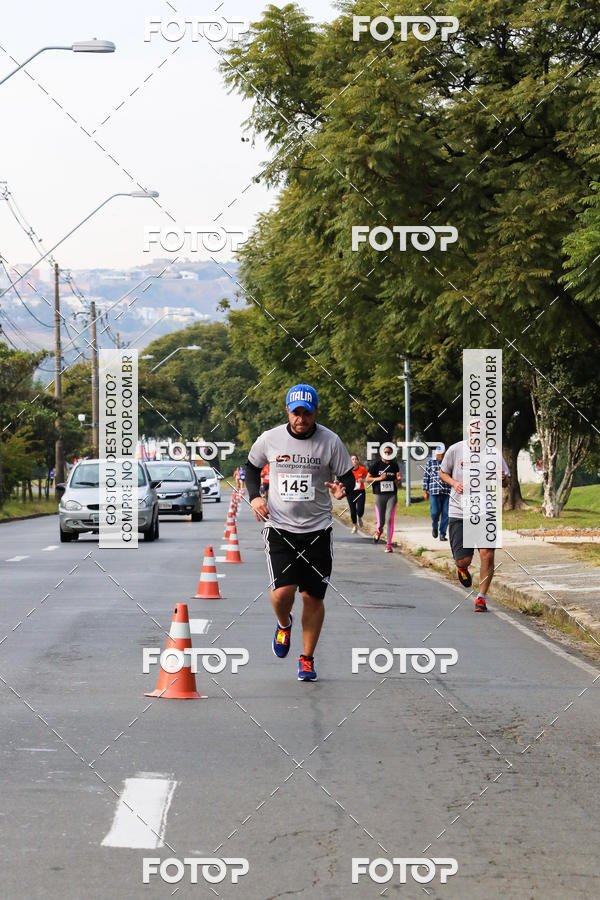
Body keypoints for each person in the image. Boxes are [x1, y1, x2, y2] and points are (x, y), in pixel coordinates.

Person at [246, 383, 355, 682]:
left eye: (307, 413)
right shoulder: (270, 439)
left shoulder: (330, 441)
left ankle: (306, 658)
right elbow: (251, 468)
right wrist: (255, 497)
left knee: (313, 598)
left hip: (317, 531)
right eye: (296, 413)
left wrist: (342, 489)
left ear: (316, 412)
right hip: (280, 528)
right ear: (287, 412)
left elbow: (348, 477)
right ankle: (284, 623)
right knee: (283, 593)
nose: (301, 419)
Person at [439, 427, 509, 612]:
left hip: (485, 511)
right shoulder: (455, 450)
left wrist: (503, 479)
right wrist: (454, 483)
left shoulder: (493, 453)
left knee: (488, 554)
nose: (476, 435)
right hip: (459, 512)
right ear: (468, 433)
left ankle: (481, 597)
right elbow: (442, 472)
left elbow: (506, 480)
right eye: (473, 431)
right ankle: (461, 569)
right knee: (464, 560)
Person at [366, 445, 401, 553]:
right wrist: (379, 478)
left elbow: (396, 482)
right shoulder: (376, 465)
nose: (387, 454)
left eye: (389, 452)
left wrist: (398, 480)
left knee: (389, 519)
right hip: (379, 495)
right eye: (385, 452)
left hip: (392, 495)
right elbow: (367, 479)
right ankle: (379, 531)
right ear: (382, 453)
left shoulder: (394, 465)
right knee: (381, 522)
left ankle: (388, 545)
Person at [422, 445, 450, 541]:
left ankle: (442, 533)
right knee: (435, 512)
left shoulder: (449, 463)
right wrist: (425, 491)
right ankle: (434, 526)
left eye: (442, 454)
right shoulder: (430, 462)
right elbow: (426, 476)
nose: (441, 456)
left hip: (447, 491)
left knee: (446, 513)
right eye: (439, 454)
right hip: (434, 491)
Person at [347, 454, 368, 532]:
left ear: (358, 461)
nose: (354, 460)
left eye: (356, 459)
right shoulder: (347, 470)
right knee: (352, 510)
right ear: (350, 461)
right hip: (350, 492)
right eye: (352, 459)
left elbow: (368, 477)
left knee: (360, 509)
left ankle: (359, 517)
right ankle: (355, 525)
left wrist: (363, 480)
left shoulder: (362, 469)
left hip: (360, 492)